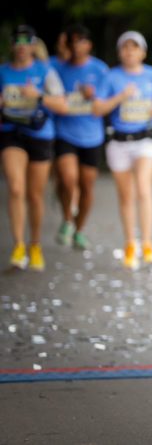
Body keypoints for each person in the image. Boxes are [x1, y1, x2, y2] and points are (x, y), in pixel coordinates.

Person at [92, 31, 152, 270]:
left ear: (143, 52)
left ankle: (147, 243)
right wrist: (121, 97)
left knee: (144, 189)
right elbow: (98, 108)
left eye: (134, 47)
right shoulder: (111, 77)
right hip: (119, 141)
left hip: (146, 140)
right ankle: (130, 244)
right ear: (119, 52)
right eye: (125, 48)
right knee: (126, 195)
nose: (130, 52)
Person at [1, 25, 68, 270]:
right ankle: (18, 246)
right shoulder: (3, 72)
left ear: (32, 45)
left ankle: (35, 244)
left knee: (34, 194)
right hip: (11, 134)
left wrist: (36, 95)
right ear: (12, 46)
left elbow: (62, 104)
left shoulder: (45, 71)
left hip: (40, 134)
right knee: (16, 188)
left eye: (25, 41)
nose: (20, 46)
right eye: (16, 42)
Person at [52, 24, 109, 250]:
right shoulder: (56, 67)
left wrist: (93, 96)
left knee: (87, 187)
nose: (77, 46)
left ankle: (79, 229)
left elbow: (103, 105)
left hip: (92, 135)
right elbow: (37, 65)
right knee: (67, 179)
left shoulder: (100, 69)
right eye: (72, 41)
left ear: (89, 44)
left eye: (81, 41)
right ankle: (67, 218)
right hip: (64, 132)